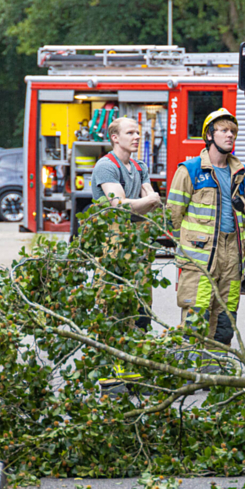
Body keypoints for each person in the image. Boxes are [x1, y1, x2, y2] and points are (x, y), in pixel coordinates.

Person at [166, 108, 245, 346]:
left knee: (226, 317)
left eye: (233, 131)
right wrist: (184, 248)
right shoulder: (190, 170)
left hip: (232, 254)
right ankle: (192, 372)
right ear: (210, 135)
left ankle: (217, 371)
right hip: (200, 257)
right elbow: (173, 214)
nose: (230, 135)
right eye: (224, 130)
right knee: (198, 313)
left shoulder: (239, 172)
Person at [89, 117, 162, 389]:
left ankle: (134, 367)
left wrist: (145, 202)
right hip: (113, 245)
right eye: (130, 132)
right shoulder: (106, 166)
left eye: (137, 132)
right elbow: (120, 205)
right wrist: (147, 201)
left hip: (138, 245)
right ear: (115, 137)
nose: (136, 137)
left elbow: (147, 199)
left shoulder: (140, 166)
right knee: (114, 306)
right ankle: (111, 373)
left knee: (142, 306)